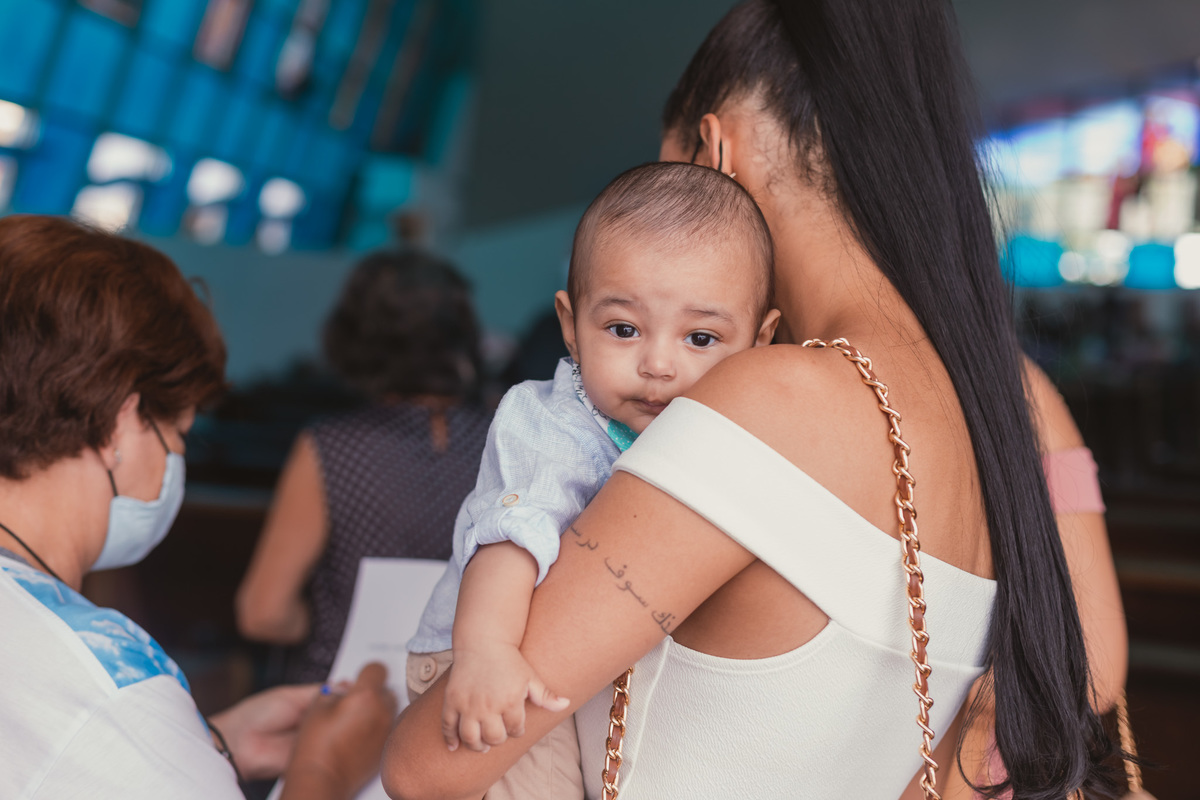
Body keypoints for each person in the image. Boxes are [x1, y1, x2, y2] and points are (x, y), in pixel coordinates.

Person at [384, 1, 1125, 799]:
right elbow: (1093, 673)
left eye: (669, 172)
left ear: (716, 151)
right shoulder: (1018, 398)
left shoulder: (762, 402)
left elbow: (427, 769)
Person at [405, 162, 779, 797]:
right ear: (570, 326)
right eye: (623, 329)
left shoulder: (701, 433)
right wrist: (484, 655)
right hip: (490, 658)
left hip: (550, 656)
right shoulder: (554, 425)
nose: (658, 364)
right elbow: (507, 544)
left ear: (761, 341)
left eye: (700, 337)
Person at [0, 214, 397, 800]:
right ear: (120, 425)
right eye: (178, 433)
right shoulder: (112, 683)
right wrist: (326, 771)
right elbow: (96, 734)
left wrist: (202, 745)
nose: (176, 459)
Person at [237, 249, 492, 684]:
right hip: (453, 704)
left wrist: (333, 621)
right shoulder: (504, 441)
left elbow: (264, 613)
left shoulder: (333, 447)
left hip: (345, 698)